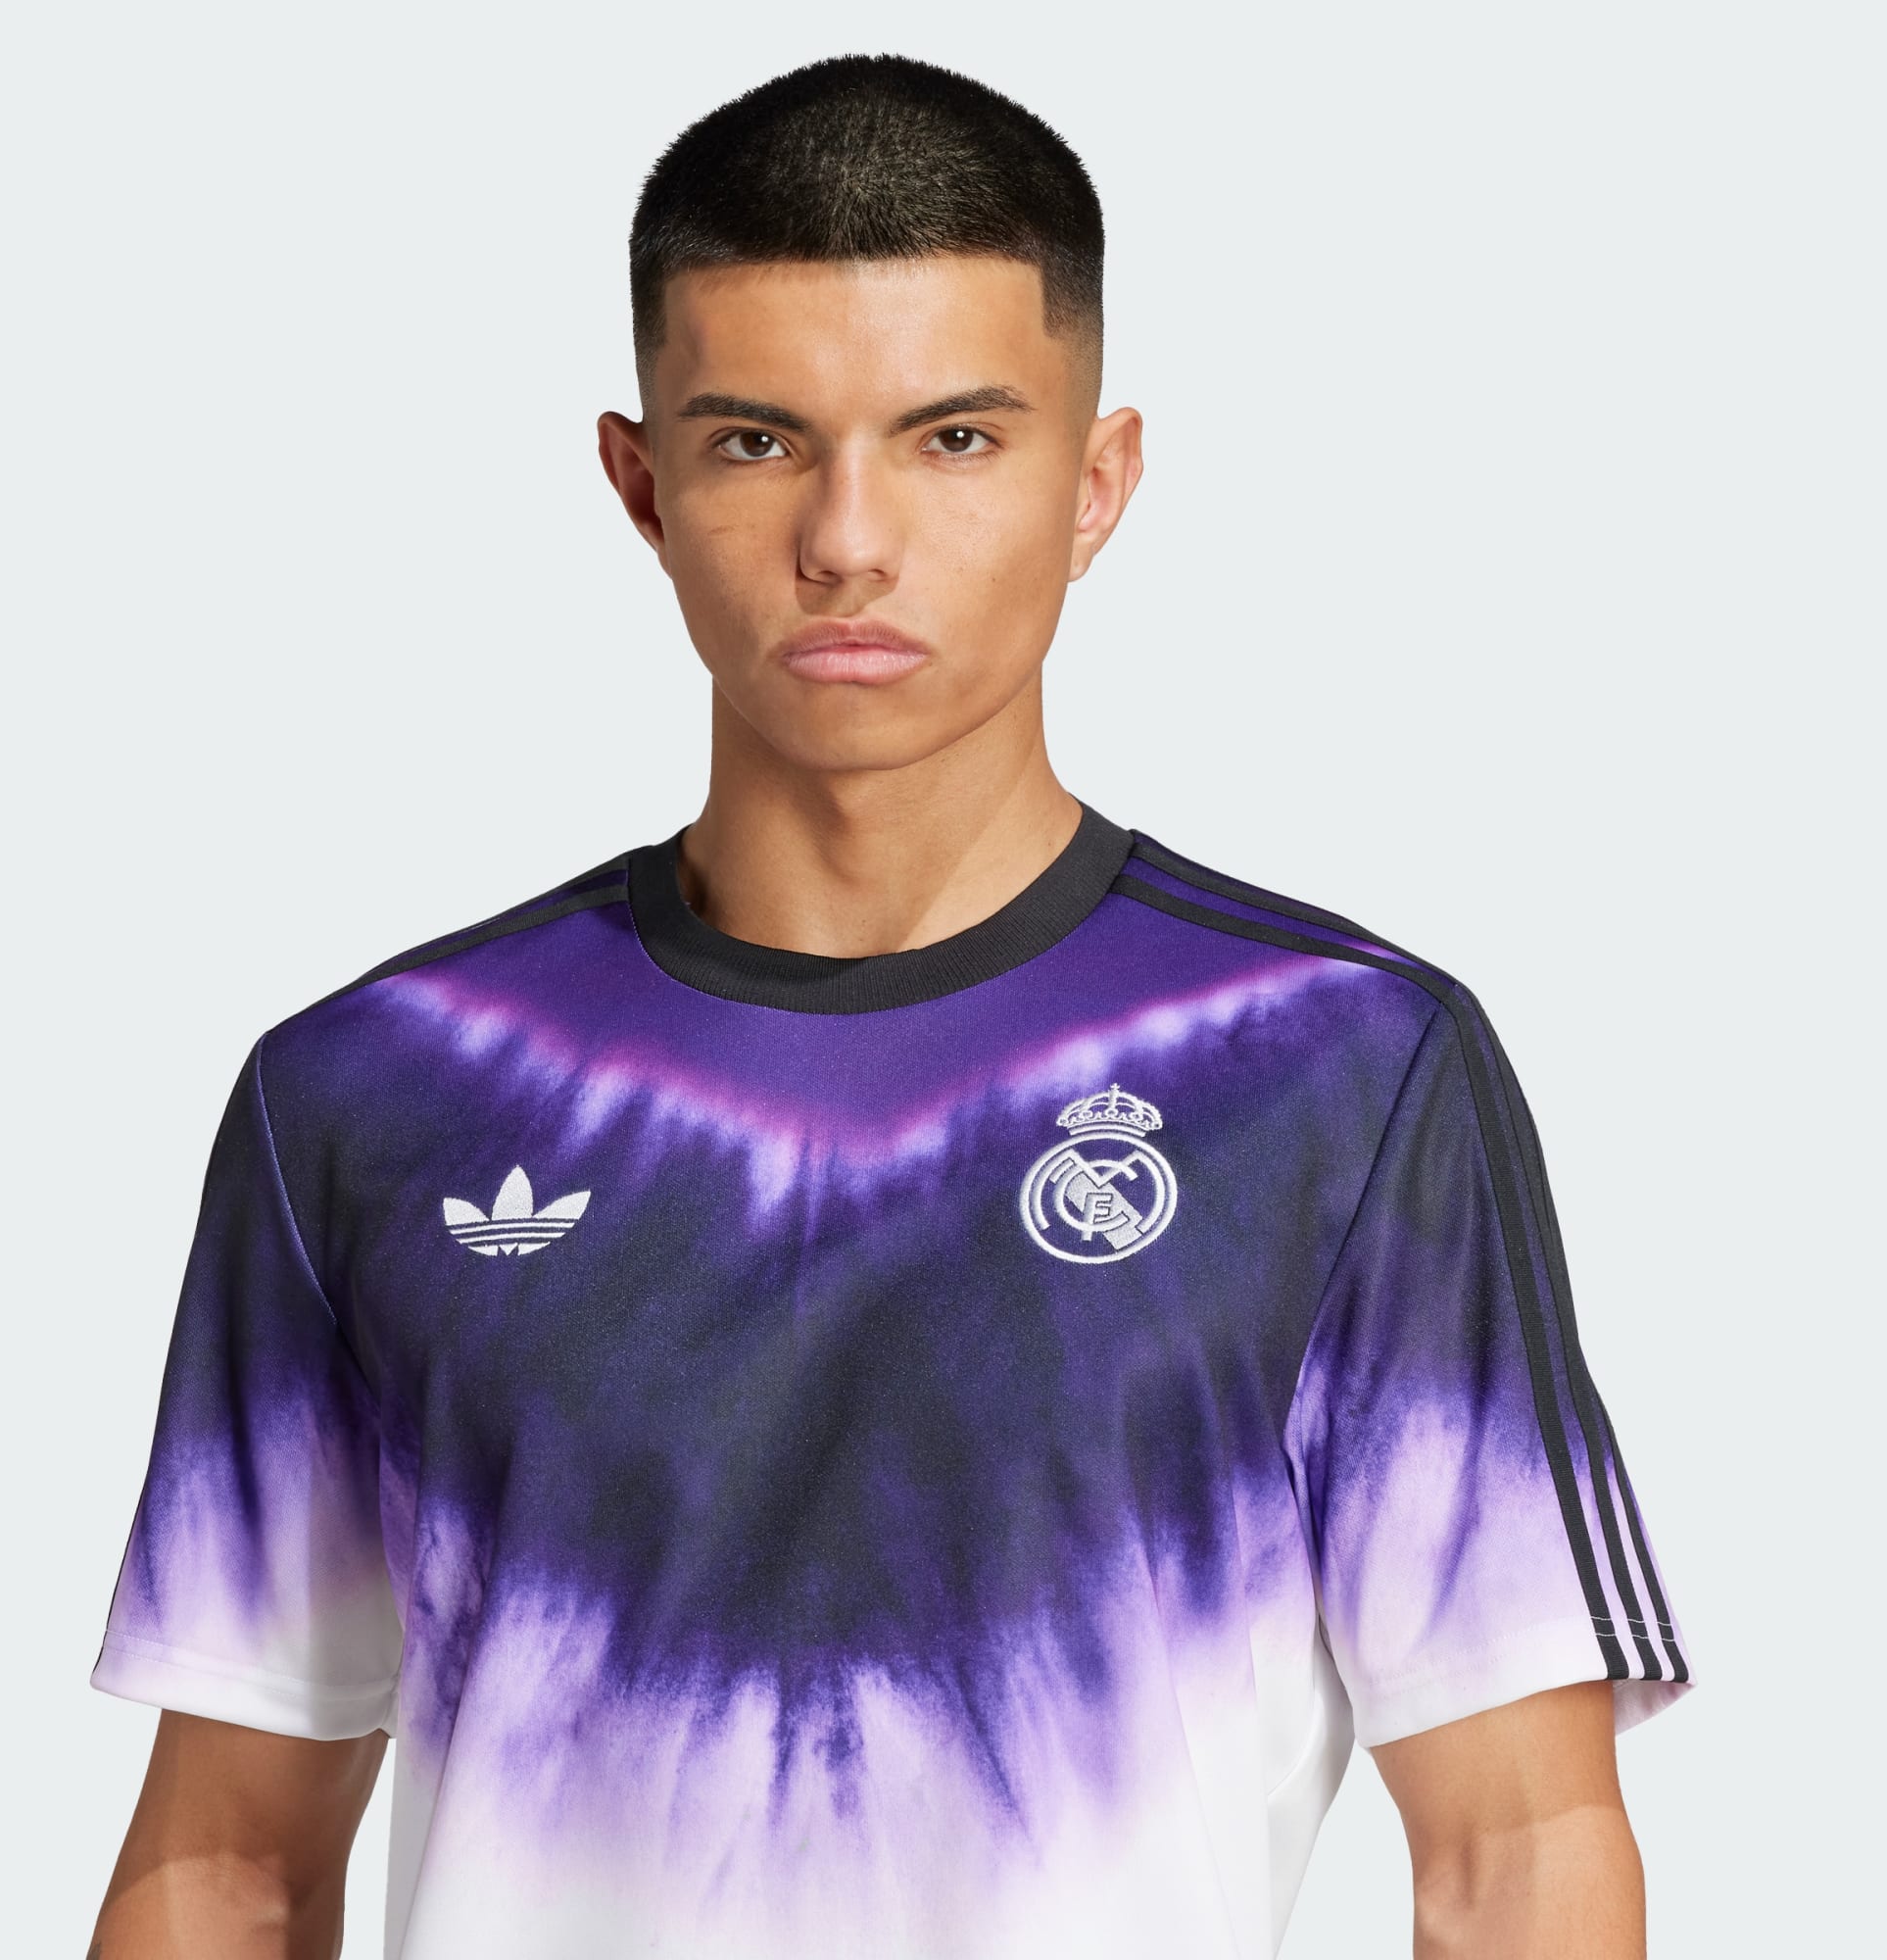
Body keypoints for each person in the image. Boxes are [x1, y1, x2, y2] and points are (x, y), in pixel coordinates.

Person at [85, 52, 1695, 1959]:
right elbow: (230, 1863)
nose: (849, 538)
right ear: (641, 482)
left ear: (1097, 482)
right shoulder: (379, 1090)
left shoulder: (1336, 1074)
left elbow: (1515, 1859)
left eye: (953, 438)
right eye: (759, 440)